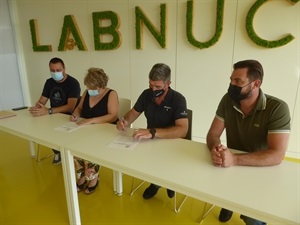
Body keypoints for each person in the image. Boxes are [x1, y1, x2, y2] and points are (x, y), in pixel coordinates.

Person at [206, 59, 291, 225]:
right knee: (224, 195)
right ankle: (228, 205)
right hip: (229, 167)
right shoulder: (227, 100)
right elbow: (213, 134)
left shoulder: (278, 108)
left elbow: (277, 155)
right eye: (231, 80)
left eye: (238, 81)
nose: (232, 85)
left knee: (253, 219)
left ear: (255, 83)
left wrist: (235, 159)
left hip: (260, 171)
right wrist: (216, 149)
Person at [116, 63, 188, 199]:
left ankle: (169, 183)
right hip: (151, 141)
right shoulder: (146, 94)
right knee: (151, 165)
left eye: (158, 87)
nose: (153, 89)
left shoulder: (178, 99)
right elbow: (133, 112)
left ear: (168, 84)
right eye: (151, 85)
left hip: (172, 144)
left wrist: (153, 132)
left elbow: (182, 130)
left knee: (166, 167)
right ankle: (155, 184)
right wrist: (124, 121)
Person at [71, 67, 119, 194]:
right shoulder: (87, 93)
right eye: (88, 87)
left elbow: (112, 116)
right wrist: (75, 114)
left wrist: (91, 120)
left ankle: (93, 178)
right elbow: (79, 108)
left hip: (107, 132)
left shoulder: (111, 94)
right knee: (75, 146)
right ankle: (81, 176)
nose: (90, 90)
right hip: (87, 130)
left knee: (90, 146)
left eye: (93, 87)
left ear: (101, 85)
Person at [29, 57, 81, 165]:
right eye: (52, 70)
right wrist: (37, 107)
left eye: (58, 70)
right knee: (40, 129)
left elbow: (71, 107)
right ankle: (58, 152)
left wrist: (49, 111)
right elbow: (42, 101)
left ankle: (65, 154)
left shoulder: (73, 83)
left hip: (68, 118)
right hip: (53, 116)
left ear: (64, 69)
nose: (55, 73)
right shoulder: (49, 82)